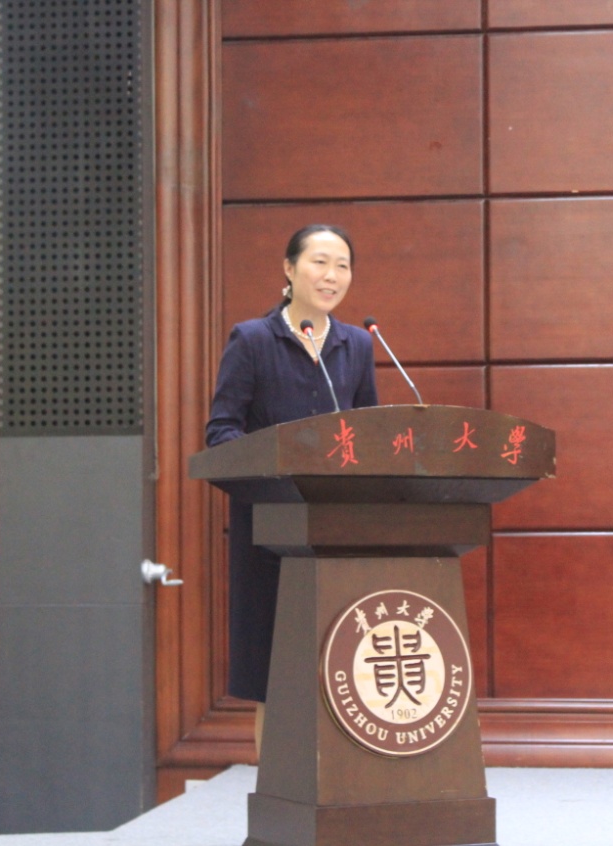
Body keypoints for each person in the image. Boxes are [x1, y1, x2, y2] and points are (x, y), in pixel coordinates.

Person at [205, 224, 378, 753]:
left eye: (342, 265)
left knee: (342, 669)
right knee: (276, 678)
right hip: (271, 533)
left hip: (338, 532)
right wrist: (273, 478)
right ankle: (279, 793)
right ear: (288, 268)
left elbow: (370, 433)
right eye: (319, 262)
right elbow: (222, 433)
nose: (331, 276)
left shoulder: (358, 344)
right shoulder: (254, 340)